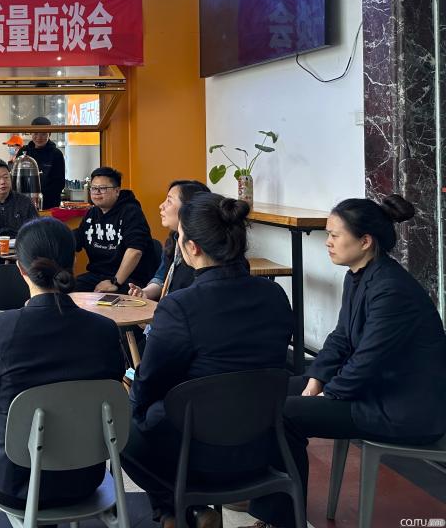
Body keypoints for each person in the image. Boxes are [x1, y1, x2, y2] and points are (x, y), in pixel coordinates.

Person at [249, 194, 446, 528]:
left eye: (334, 235)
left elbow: (368, 361)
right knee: (270, 392)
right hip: (374, 389)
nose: (327, 242)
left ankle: (283, 520)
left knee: (285, 413)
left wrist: (329, 394)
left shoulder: (391, 290)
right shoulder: (359, 275)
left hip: (400, 407)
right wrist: (316, 380)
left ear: (365, 241)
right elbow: (341, 338)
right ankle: (272, 506)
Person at [123, 194, 293, 528]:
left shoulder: (181, 306)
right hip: (264, 445)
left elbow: (150, 383)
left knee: (121, 428)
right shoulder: (275, 295)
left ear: (192, 247)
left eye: (179, 237)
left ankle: (177, 512)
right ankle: (189, 512)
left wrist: (133, 404)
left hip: (198, 454)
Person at [0, 217, 125, 528]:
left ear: (21, 270)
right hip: (84, 477)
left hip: (17, 483)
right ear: (73, 262)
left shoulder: (0, 329)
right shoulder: (104, 330)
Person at [72, 167, 158, 294]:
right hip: (97, 275)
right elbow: (77, 238)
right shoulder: (92, 213)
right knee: (66, 291)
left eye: (102, 188)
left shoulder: (131, 212)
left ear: (117, 191)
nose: (97, 193)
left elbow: (135, 251)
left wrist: (115, 282)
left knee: (107, 300)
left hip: (129, 279)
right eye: (94, 188)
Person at [129, 179, 211, 301]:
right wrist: (144, 292)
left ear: (189, 208)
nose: (161, 206)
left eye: (169, 201)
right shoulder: (173, 239)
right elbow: (161, 278)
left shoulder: (202, 250)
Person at [21, 116, 67, 209]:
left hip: (49, 204)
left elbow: (59, 183)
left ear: (49, 134)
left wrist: (38, 196)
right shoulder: (23, 152)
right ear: (31, 133)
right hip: (25, 203)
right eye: (36, 133)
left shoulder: (56, 154)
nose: (39, 137)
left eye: (43, 134)